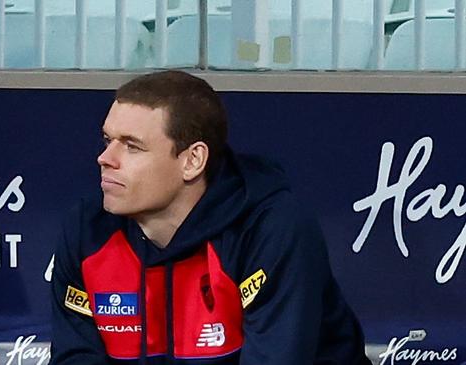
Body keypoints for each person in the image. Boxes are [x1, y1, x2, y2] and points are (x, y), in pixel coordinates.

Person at [50, 70, 370, 364]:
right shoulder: (86, 229)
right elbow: (75, 357)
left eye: (132, 147)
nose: (105, 159)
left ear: (192, 161)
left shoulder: (272, 229)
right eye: (108, 140)